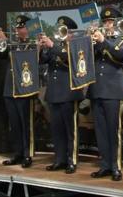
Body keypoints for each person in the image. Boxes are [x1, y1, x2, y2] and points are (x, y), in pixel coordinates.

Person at [38, 16, 85, 174]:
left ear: (71, 33)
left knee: (70, 130)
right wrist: (40, 47)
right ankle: (59, 160)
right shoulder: (55, 46)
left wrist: (52, 46)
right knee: (57, 130)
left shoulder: (77, 46)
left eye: (64, 31)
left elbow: (70, 59)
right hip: (54, 94)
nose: (62, 33)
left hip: (69, 94)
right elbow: (42, 61)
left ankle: (72, 161)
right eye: (60, 30)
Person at [88, 7, 123, 181]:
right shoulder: (95, 41)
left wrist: (103, 41)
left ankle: (116, 166)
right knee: (101, 131)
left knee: (114, 130)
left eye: (110, 21)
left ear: (118, 22)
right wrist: (89, 41)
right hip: (97, 90)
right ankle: (105, 165)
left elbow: (121, 56)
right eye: (105, 21)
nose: (107, 24)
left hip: (113, 91)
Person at [2, 15, 36, 168]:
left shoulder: (33, 44)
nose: (16, 30)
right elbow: (0, 53)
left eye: (20, 27)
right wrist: (2, 40)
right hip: (10, 89)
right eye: (16, 27)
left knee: (25, 124)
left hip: (25, 89)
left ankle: (27, 154)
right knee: (14, 124)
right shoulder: (13, 45)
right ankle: (17, 153)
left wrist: (5, 40)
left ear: (27, 29)